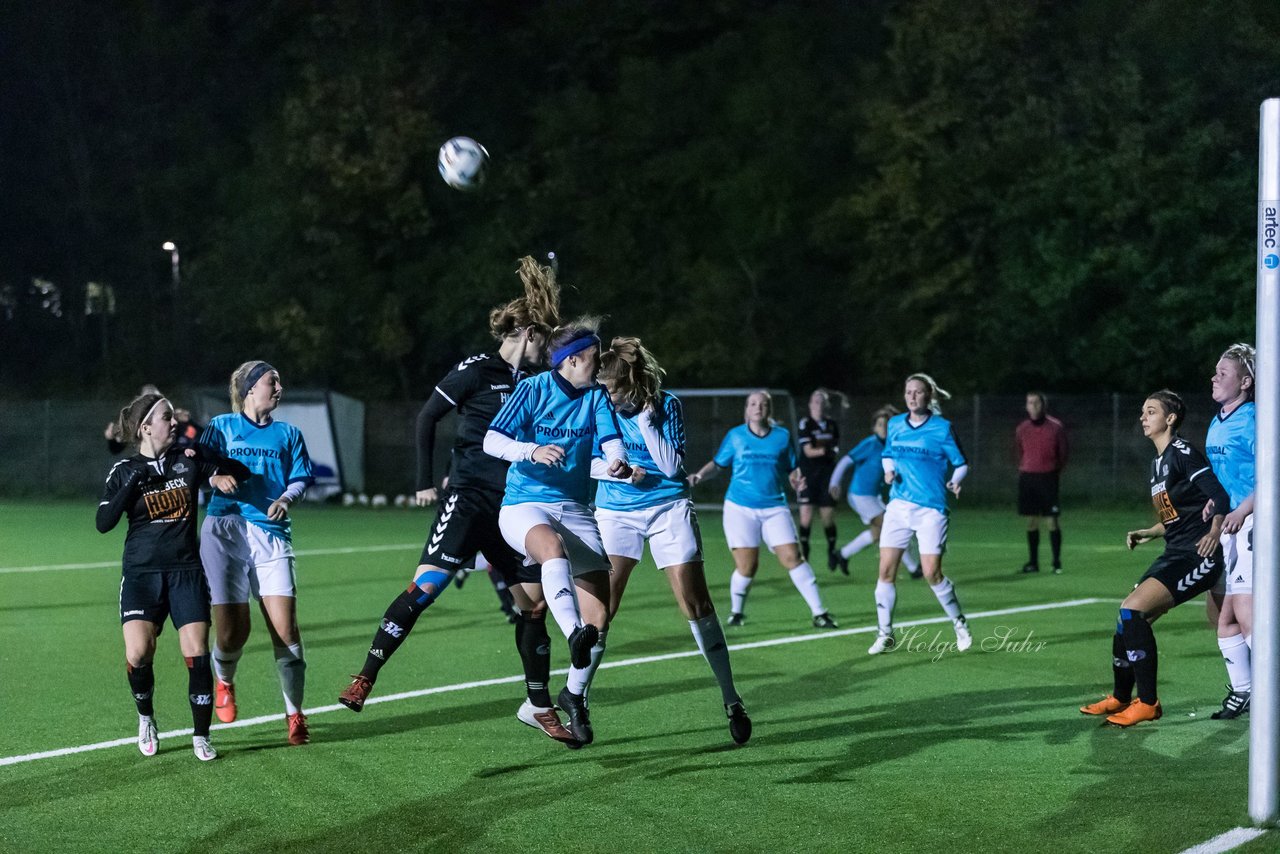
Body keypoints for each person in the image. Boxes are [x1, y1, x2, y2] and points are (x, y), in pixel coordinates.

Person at [338, 257, 575, 746]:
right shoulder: (477, 369)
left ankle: (540, 706)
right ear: (527, 334)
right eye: (542, 340)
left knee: (532, 608)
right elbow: (427, 417)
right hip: (466, 497)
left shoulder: (535, 385)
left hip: (513, 507)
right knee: (427, 588)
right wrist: (426, 480)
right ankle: (365, 677)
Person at [592, 337, 751, 744]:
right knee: (602, 607)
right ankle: (579, 699)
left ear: (629, 382)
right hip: (616, 511)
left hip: (668, 506)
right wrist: (618, 472)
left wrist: (646, 420)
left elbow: (672, 466)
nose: (603, 395)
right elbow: (586, 464)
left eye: (609, 388)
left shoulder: (667, 405)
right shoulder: (596, 406)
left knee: (695, 602)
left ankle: (731, 698)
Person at [484, 316, 632, 746]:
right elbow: (493, 441)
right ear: (570, 361)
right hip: (524, 504)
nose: (599, 364)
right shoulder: (532, 389)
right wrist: (531, 449)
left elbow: (609, 440)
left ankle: (574, 695)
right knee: (551, 550)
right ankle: (572, 634)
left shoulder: (596, 396)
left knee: (600, 618)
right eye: (592, 357)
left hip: (576, 507)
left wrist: (617, 461)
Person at [96, 390, 250, 761]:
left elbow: (239, 473)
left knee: (196, 652)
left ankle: (201, 734)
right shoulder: (123, 470)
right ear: (147, 427)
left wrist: (211, 466)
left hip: (185, 572)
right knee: (139, 652)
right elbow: (104, 523)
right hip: (141, 574)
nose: (174, 422)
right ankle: (146, 718)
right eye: (167, 417)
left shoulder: (187, 458)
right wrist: (135, 481)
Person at [1080, 390, 1229, 726]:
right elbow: (1177, 516)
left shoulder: (1182, 453)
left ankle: (1148, 703)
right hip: (1173, 552)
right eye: (1142, 412)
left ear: (1170, 418)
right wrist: (1150, 531)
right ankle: (1120, 698)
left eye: (1151, 412)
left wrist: (1214, 532)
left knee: (1132, 611)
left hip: (1197, 556)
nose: (1143, 418)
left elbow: (1219, 496)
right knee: (1127, 621)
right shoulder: (1157, 463)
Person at [199, 361, 316, 745]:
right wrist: (215, 477)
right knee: (233, 633)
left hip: (271, 534)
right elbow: (197, 465)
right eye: (272, 381)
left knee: (286, 629)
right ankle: (225, 680)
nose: (279, 387)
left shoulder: (289, 433)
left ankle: (295, 714)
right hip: (225, 531)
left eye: (280, 380)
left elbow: (300, 477)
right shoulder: (222, 426)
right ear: (251, 389)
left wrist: (285, 497)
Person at [689, 390, 836, 630]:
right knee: (748, 566)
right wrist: (699, 476)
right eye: (753, 404)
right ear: (747, 410)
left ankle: (820, 613)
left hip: (775, 507)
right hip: (740, 508)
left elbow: (792, 467)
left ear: (769, 410)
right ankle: (736, 612)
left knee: (793, 557)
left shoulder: (782, 436)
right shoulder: (735, 436)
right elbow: (718, 465)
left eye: (763, 404)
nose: (758, 408)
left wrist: (796, 479)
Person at [869, 373, 972, 655]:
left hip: (931, 508)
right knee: (885, 570)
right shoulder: (894, 424)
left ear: (929, 397)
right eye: (908, 392)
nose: (912, 396)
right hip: (899, 506)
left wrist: (956, 480)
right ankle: (885, 634)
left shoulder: (942, 428)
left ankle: (959, 622)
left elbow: (961, 463)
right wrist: (889, 470)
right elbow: (888, 454)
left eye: (918, 392)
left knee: (931, 572)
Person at [1204, 344, 1256, 719]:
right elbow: (1226, 477)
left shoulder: (1254, 418)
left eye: (1224, 373)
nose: (1215, 377)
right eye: (1215, 371)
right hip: (1232, 522)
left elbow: (1273, 476)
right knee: (1223, 615)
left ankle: (1267, 690)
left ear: (1246, 382)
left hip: (1256, 520)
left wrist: (1241, 509)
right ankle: (1245, 691)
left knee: (1244, 609)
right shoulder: (1219, 418)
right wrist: (1217, 504)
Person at [828, 406, 921, 576]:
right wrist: (835, 482)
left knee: (877, 533)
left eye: (886, 424)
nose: (883, 428)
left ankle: (842, 555)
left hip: (873, 496)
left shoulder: (893, 445)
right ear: (874, 428)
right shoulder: (870, 444)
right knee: (892, 526)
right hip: (860, 495)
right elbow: (846, 461)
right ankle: (913, 568)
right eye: (879, 425)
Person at [1015, 391, 1068, 574]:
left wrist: (1052, 470)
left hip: (1048, 478)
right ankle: (1033, 562)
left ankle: (1056, 562)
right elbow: (1019, 451)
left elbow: (1063, 454)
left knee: (1051, 521)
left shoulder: (1055, 427)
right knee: (1031, 521)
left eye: (1036, 403)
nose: (1033, 406)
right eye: (1030, 403)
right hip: (1028, 478)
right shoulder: (1022, 428)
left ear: (1043, 405)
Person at [796, 389, 841, 570]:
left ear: (826, 405)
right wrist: (824, 450)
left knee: (827, 518)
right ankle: (805, 554)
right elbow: (808, 451)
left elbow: (835, 450)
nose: (818, 405)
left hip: (827, 477)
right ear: (810, 404)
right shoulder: (805, 424)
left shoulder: (832, 424)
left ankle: (832, 551)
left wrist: (826, 451)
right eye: (815, 401)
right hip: (808, 475)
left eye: (822, 402)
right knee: (806, 516)